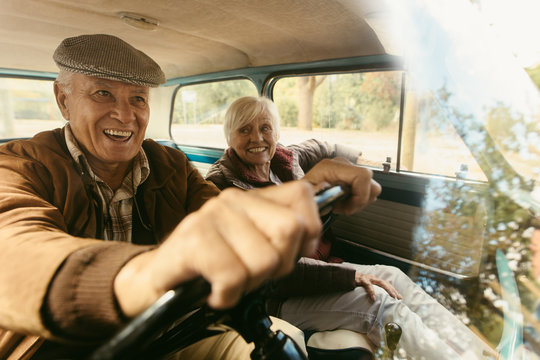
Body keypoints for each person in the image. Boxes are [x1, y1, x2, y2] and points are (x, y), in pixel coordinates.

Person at [0, 34, 382, 359]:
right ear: (63, 100)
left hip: (172, 327)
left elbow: (228, 219)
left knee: (280, 341)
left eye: (138, 98)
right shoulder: (19, 165)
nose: (124, 114)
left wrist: (302, 193)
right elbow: (15, 253)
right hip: (60, 348)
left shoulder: (169, 164)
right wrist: (142, 273)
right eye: (103, 93)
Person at [205, 95, 497, 360]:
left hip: (316, 271)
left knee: (394, 275)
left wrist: (362, 162)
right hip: (274, 294)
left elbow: (325, 147)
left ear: (276, 133)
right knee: (379, 304)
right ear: (229, 137)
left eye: (265, 128)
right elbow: (274, 274)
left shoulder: (284, 160)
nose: (257, 137)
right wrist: (350, 276)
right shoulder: (219, 186)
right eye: (244, 129)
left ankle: (480, 354)